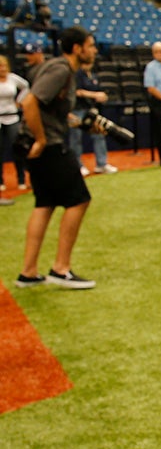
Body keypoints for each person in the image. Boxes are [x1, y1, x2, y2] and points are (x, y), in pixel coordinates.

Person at [15, 26, 102, 289]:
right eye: (90, 45)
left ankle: (28, 272)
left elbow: (51, 111)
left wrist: (81, 124)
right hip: (46, 146)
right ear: (77, 48)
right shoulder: (61, 69)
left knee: (45, 203)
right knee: (79, 200)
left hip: (37, 144)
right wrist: (41, 140)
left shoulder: (58, 68)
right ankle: (60, 268)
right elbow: (30, 102)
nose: (94, 50)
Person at [69, 53, 118, 176]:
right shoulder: (76, 74)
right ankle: (77, 165)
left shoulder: (93, 75)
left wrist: (101, 96)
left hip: (91, 109)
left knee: (99, 135)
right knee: (76, 138)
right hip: (77, 109)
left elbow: (96, 90)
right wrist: (95, 95)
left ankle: (101, 164)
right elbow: (77, 91)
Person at [0, 55, 31, 194]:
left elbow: (26, 87)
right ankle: (1, 181)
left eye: (4, 66)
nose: (2, 69)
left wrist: (19, 101)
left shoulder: (12, 78)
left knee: (17, 148)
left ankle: (21, 179)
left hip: (12, 117)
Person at [143, 41, 161, 166]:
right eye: (156, 52)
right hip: (159, 101)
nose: (158, 54)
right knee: (160, 131)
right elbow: (150, 87)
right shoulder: (150, 67)